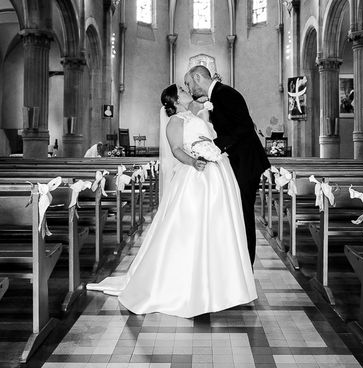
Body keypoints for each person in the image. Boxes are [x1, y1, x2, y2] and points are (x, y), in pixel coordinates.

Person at [86, 84, 256, 318]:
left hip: (216, 174)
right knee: (190, 229)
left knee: (218, 227)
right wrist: (193, 161)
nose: (188, 92)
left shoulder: (196, 115)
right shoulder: (176, 120)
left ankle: (221, 283)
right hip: (195, 177)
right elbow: (176, 149)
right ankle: (189, 283)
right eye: (183, 91)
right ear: (175, 100)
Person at [184, 65, 270, 265]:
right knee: (237, 212)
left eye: (189, 83)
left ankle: (247, 264)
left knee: (244, 213)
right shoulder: (216, 96)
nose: (189, 89)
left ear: (198, 77)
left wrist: (215, 146)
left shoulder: (225, 94)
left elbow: (245, 126)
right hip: (239, 161)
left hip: (246, 163)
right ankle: (239, 261)